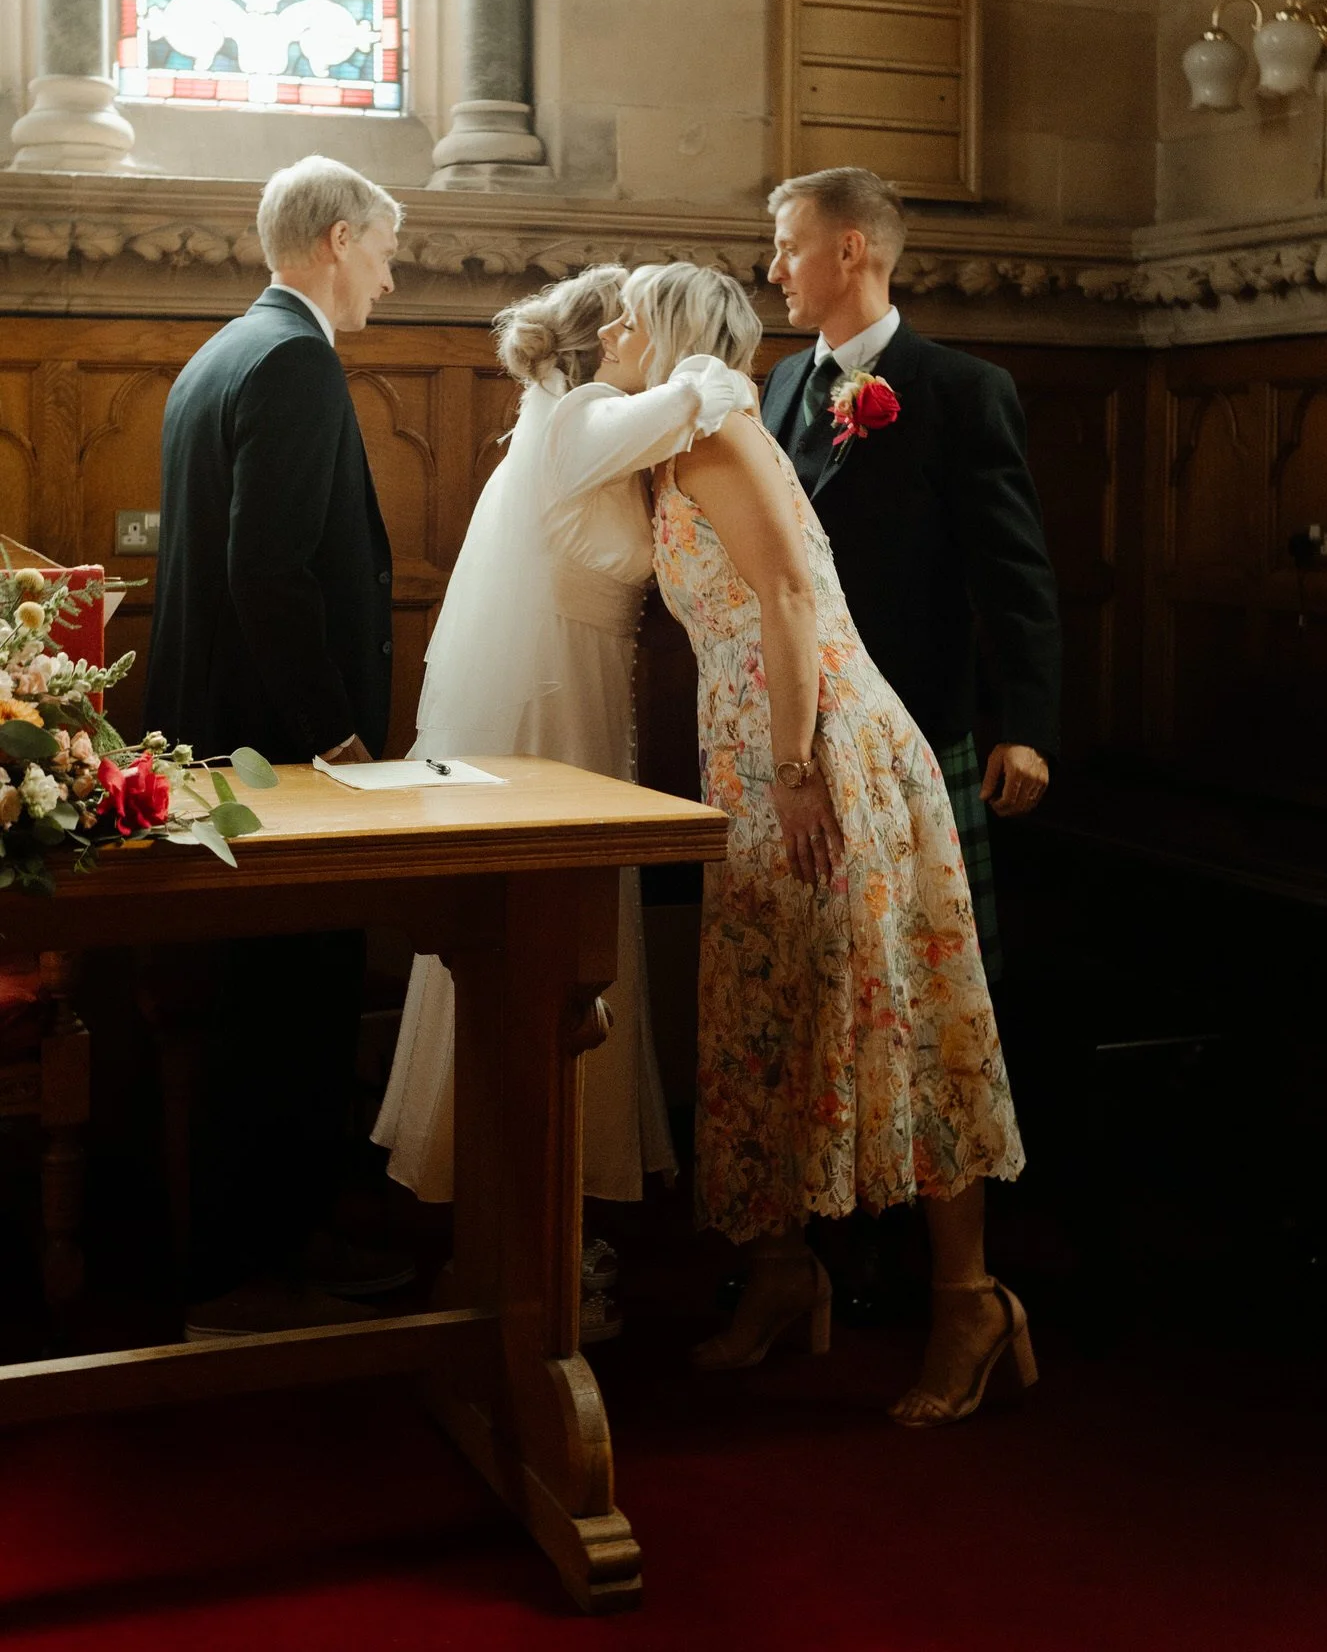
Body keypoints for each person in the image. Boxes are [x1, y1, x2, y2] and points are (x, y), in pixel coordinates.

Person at [612, 260, 1032, 1426]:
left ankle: (969, 1298)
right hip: (752, 751)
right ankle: (787, 1271)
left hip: (824, 748)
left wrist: (796, 772)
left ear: (667, 331)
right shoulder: (669, 440)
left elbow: (792, 599)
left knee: (905, 1006)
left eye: (622, 314)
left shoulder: (720, 437)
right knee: (767, 1008)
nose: (606, 328)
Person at [372, 266, 752, 1328]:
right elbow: (705, 394)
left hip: (580, 702)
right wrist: (715, 366)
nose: (636, 330)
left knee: (576, 950)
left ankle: (543, 1227)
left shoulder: (585, 419)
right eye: (623, 318)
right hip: (538, 716)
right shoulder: (578, 415)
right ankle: (521, 1233)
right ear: (600, 343)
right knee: (544, 944)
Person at [143, 154, 406, 1335]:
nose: (389, 283)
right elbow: (267, 570)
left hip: (210, 744)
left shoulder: (217, 354)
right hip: (278, 760)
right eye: (388, 254)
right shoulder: (295, 357)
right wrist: (338, 734)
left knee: (261, 1005)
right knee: (287, 1012)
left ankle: (265, 1246)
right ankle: (259, 1271)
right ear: (339, 238)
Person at [761, 166, 1062, 983]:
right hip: (798, 716)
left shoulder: (964, 390)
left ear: (849, 249)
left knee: (920, 965)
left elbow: (1011, 569)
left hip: (916, 718)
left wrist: (1025, 723)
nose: (773, 270)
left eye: (789, 249)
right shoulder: (781, 382)